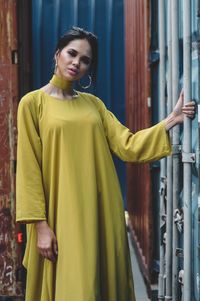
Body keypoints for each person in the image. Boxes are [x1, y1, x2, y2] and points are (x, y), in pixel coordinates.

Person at [16, 27, 195, 301]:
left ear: (89, 68)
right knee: (74, 284)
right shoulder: (33, 104)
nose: (76, 62)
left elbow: (128, 145)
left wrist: (171, 120)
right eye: (72, 53)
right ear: (57, 55)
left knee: (96, 282)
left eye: (85, 60)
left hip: (100, 210)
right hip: (59, 213)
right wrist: (40, 226)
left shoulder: (94, 105)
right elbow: (29, 170)